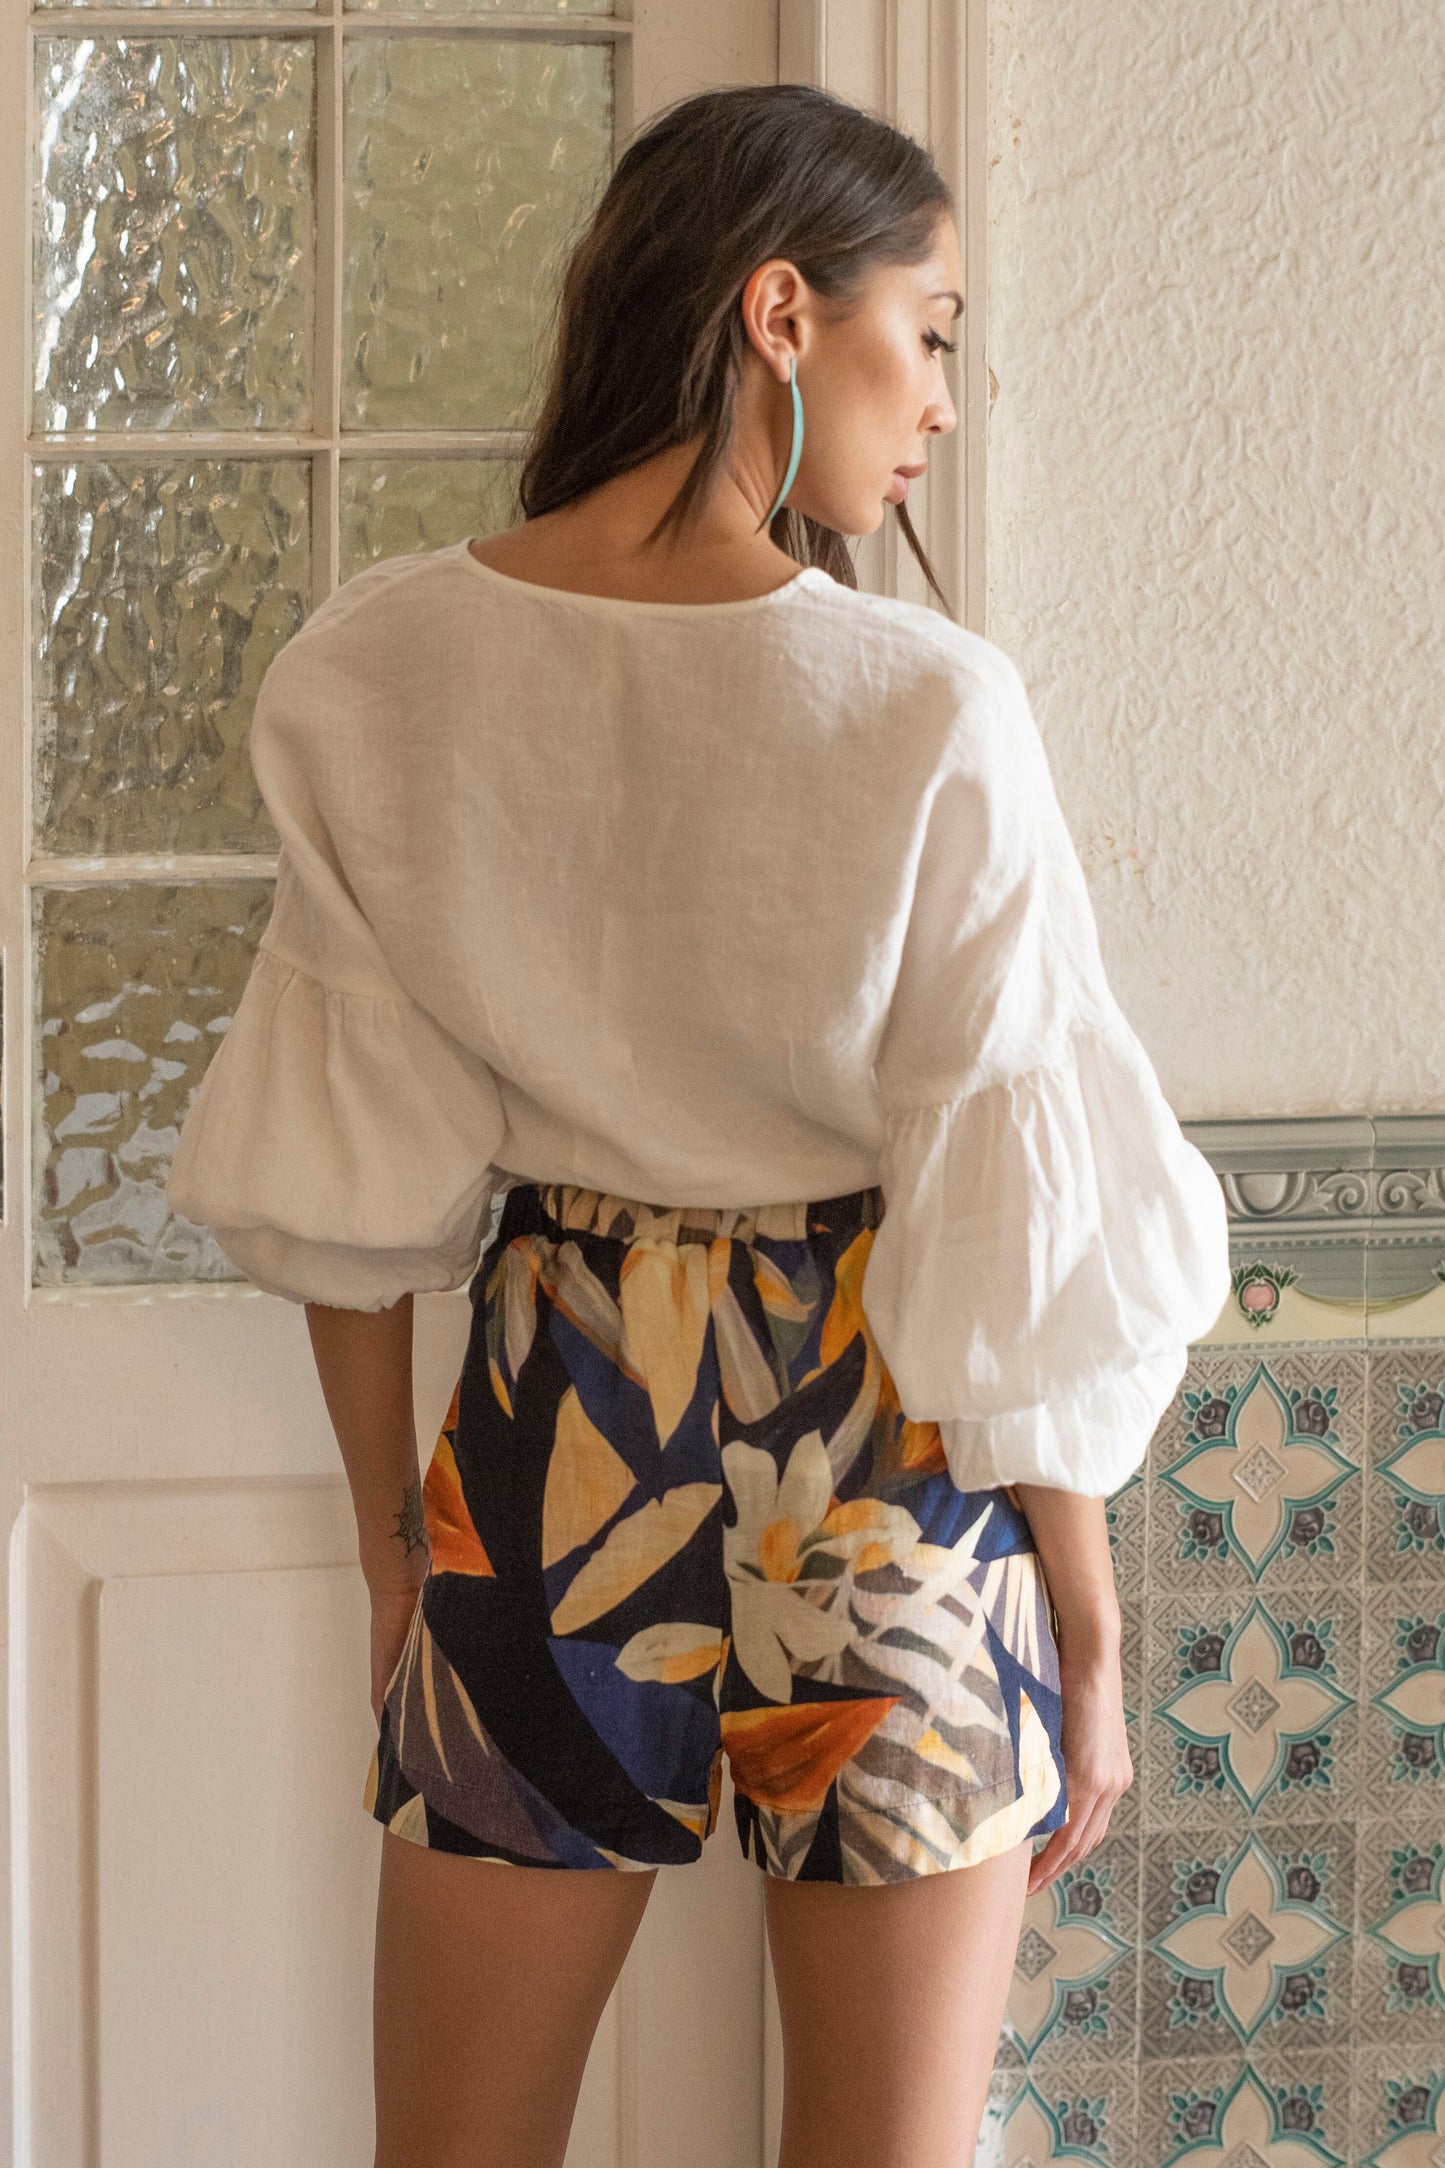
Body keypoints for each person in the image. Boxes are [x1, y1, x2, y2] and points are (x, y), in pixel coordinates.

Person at [166, 81, 1230, 2168]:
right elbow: (1004, 1212)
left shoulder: (382, 670)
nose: (940, 402)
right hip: (882, 1442)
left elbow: (339, 1177)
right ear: (778, 311)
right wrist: (1089, 1633)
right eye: (926, 328)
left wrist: (397, 1555)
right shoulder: (923, 704)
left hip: (553, 1417)